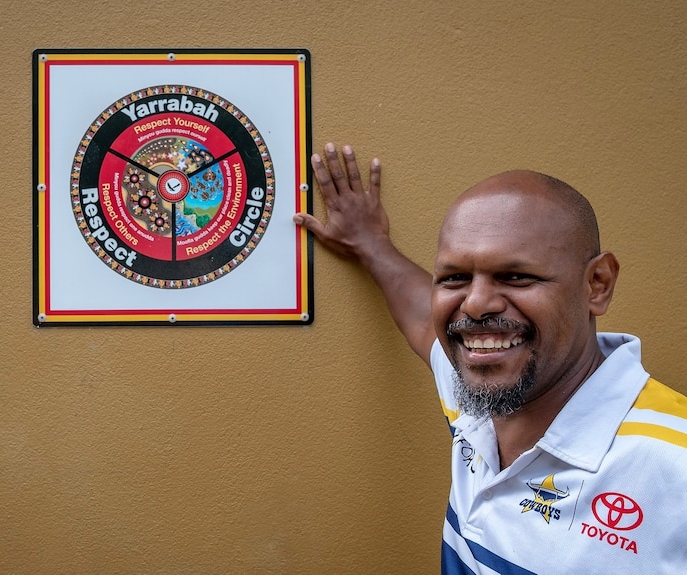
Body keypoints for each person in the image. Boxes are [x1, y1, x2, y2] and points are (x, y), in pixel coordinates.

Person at [293, 143, 687, 574]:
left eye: (516, 276)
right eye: (456, 278)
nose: (476, 305)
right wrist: (372, 244)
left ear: (597, 284)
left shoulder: (673, 464)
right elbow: (426, 321)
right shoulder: (475, 393)